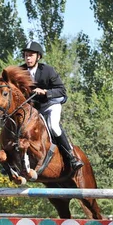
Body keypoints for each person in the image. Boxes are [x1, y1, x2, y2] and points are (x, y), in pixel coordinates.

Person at [20, 41, 84, 171]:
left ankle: (71, 157)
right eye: (26, 55)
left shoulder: (47, 70)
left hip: (50, 105)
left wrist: (45, 92)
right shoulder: (20, 71)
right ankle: (13, 161)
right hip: (33, 108)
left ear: (38, 57)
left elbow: (61, 90)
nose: (28, 58)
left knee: (53, 126)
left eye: (31, 55)